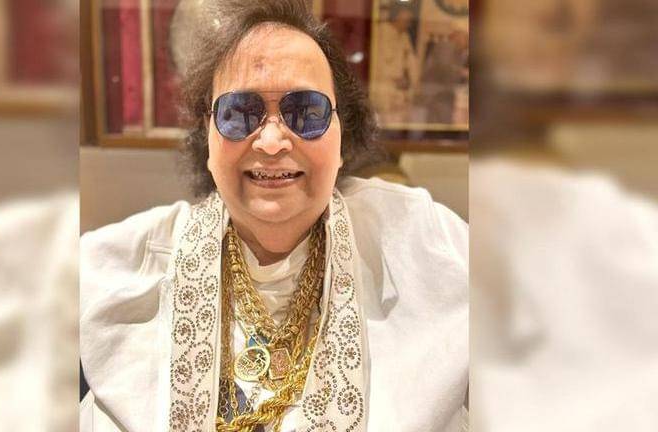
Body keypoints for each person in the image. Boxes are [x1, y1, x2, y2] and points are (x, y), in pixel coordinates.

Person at [80, 1, 468, 431]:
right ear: (207, 138)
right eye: (239, 113)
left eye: (306, 112)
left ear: (342, 137)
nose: (270, 141)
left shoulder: (425, 244)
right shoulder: (120, 269)